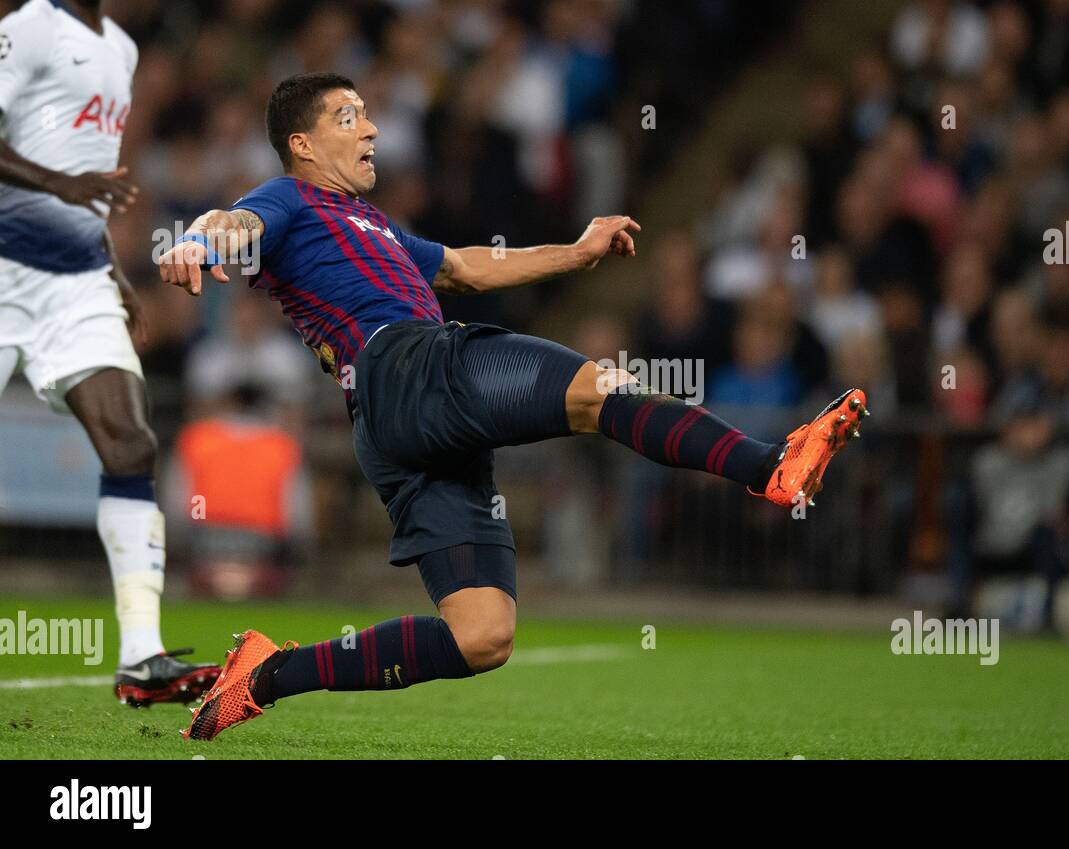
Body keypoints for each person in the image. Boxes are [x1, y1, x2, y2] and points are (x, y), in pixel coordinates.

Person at [157, 73, 867, 740]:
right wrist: (194, 239)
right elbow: (233, 221)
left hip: (395, 427)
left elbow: (465, 265)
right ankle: (768, 465)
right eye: (349, 117)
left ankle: (267, 674)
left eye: (368, 113)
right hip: (407, 367)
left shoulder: (371, 223)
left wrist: (575, 252)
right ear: (304, 146)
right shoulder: (288, 199)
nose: (371, 126)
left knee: (482, 634)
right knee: (597, 391)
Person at [0, 0, 219, 705]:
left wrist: (117, 276)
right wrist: (56, 185)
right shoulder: (28, 27)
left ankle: (141, 657)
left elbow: (87, 174)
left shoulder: (120, 50)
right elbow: (65, 176)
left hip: (76, 282)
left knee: (131, 444)